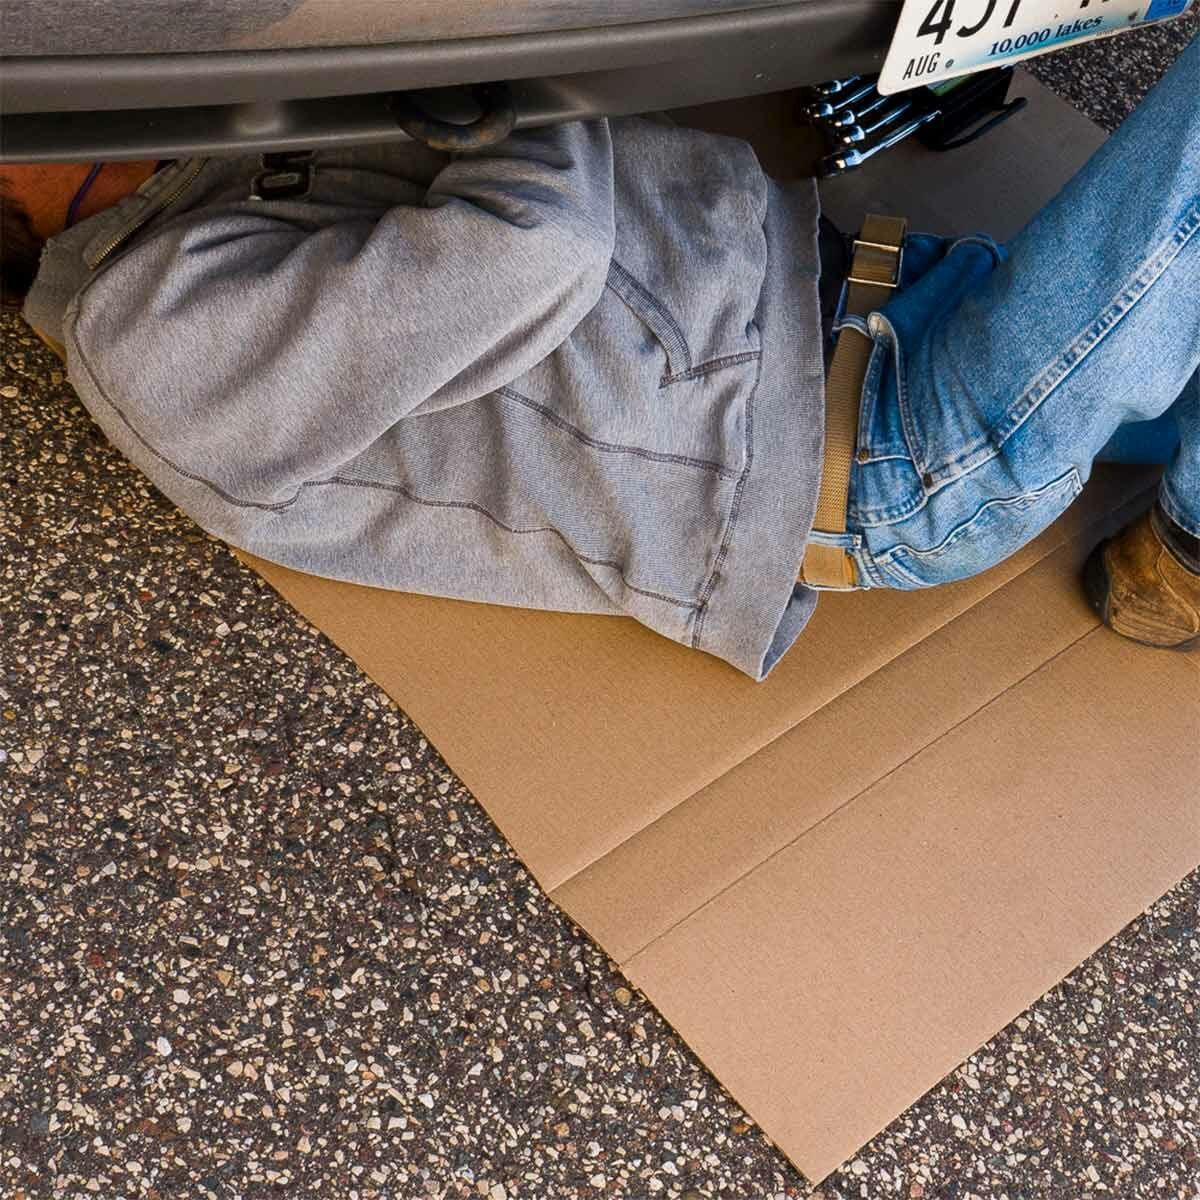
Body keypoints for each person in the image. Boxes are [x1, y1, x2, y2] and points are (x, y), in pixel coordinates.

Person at [3, 37, 1197, 681]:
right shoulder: (150, 341)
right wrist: (500, 53)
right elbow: (535, 250)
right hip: (885, 452)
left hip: (872, 305)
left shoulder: (181, 181)